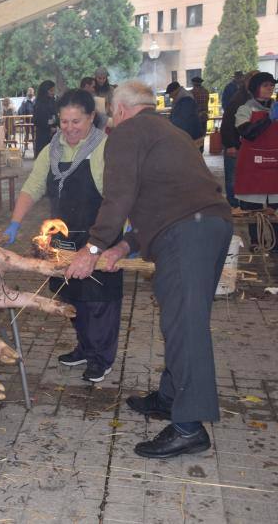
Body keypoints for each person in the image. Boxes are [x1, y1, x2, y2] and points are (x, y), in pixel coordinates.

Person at [65, 80, 232, 459]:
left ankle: (189, 428)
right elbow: (161, 200)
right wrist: (124, 245)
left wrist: (91, 248)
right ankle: (171, 398)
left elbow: (118, 198)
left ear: (119, 109)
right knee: (179, 320)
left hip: (187, 233)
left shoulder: (127, 133)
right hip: (207, 227)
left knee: (186, 327)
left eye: (110, 114)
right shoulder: (167, 131)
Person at [3, 89, 121, 383]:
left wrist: (121, 239)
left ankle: (100, 358)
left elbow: (117, 197)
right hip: (63, 239)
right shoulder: (52, 148)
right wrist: (15, 223)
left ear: (92, 117)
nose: (69, 128)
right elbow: (32, 186)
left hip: (97, 238)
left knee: (98, 300)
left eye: (76, 121)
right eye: (64, 121)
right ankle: (84, 346)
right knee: (70, 295)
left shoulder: (104, 148)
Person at [233, 71, 278, 249]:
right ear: (255, 88)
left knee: (275, 206)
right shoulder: (245, 109)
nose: (270, 88)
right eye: (266, 85)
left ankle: (275, 244)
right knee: (254, 208)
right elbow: (248, 133)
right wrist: (268, 119)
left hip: (274, 163)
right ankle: (255, 241)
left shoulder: (275, 107)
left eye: (272, 85)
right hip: (253, 164)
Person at [220, 70, 259, 209]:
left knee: (243, 176)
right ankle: (235, 207)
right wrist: (230, 145)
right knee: (233, 177)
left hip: (246, 145)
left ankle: (242, 204)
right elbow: (227, 123)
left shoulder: (252, 97)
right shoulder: (239, 99)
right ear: (247, 81)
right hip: (234, 144)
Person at [32, 80, 57, 157]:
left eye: (53, 90)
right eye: (51, 91)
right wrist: (48, 127)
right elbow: (36, 120)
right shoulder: (39, 104)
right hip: (43, 135)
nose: (53, 93)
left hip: (54, 135)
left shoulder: (53, 101)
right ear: (45, 91)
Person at [191, 77, 210, 151]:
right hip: (204, 116)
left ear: (193, 83)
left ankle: (195, 151)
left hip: (194, 117)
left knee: (195, 135)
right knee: (202, 135)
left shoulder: (191, 93)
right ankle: (201, 150)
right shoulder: (206, 92)